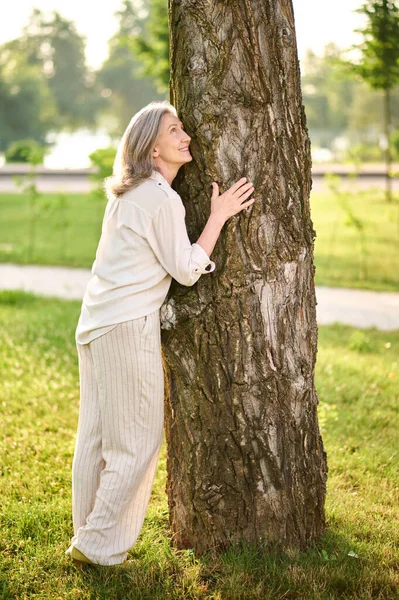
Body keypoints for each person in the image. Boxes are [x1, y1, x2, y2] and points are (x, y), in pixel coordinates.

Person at [66, 100, 255, 568]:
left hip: (96, 324)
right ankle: (96, 545)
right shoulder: (159, 197)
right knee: (136, 442)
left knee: (96, 437)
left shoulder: (128, 195)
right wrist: (220, 214)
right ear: (153, 147)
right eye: (175, 130)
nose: (185, 135)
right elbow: (188, 269)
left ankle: (86, 536)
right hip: (126, 326)